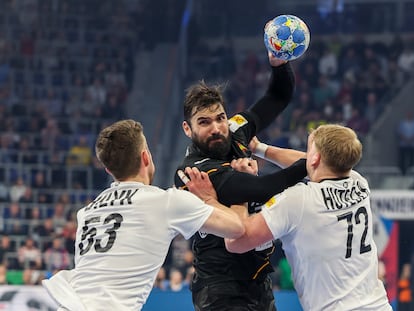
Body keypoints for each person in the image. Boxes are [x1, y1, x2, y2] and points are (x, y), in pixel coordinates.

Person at [42, 119, 245, 311]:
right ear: (145, 157)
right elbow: (237, 227)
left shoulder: (86, 212)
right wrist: (215, 196)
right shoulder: (165, 202)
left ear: (108, 169)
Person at [174, 51, 307, 310]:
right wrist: (313, 160)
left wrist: (279, 63)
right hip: (220, 287)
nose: (216, 128)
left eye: (220, 118)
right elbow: (262, 188)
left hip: (258, 281)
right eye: (204, 122)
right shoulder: (193, 172)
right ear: (187, 129)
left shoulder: (235, 131)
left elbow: (277, 97)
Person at [224, 124, 393, 311]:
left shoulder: (298, 200)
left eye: (309, 149)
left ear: (316, 157)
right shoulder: (358, 183)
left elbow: (235, 242)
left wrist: (240, 187)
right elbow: (307, 162)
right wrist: (260, 148)